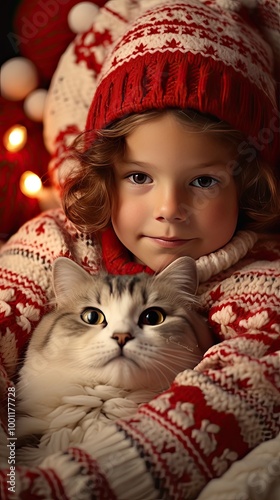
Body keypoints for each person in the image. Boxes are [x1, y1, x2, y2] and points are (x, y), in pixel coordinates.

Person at [0, 0, 279, 498]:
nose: (169, 208)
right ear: (105, 175)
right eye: (139, 176)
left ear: (249, 185)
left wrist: (70, 485)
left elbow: (243, 390)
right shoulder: (58, 236)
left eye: (203, 180)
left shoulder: (265, 281)